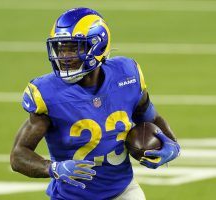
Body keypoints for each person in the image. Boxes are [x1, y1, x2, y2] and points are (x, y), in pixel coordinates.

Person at [10, 7, 180, 200]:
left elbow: (152, 118)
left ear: (97, 47)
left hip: (123, 191)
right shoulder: (47, 93)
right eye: (60, 48)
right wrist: (53, 168)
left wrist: (172, 145)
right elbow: (18, 156)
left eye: (73, 48)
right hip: (71, 197)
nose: (64, 57)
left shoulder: (127, 75)